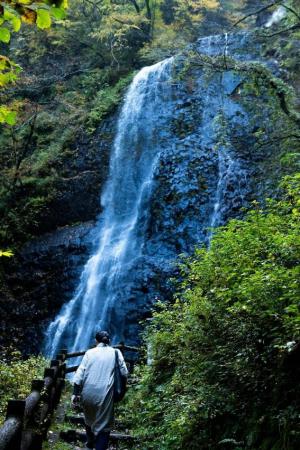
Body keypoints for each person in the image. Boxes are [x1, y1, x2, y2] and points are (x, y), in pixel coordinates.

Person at [71, 330, 128, 450]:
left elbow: (79, 373)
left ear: (96, 341)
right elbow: (124, 373)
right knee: (104, 426)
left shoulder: (89, 353)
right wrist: (122, 390)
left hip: (87, 393)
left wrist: (75, 393)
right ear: (109, 341)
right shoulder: (115, 352)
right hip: (105, 394)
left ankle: (90, 443)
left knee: (89, 419)